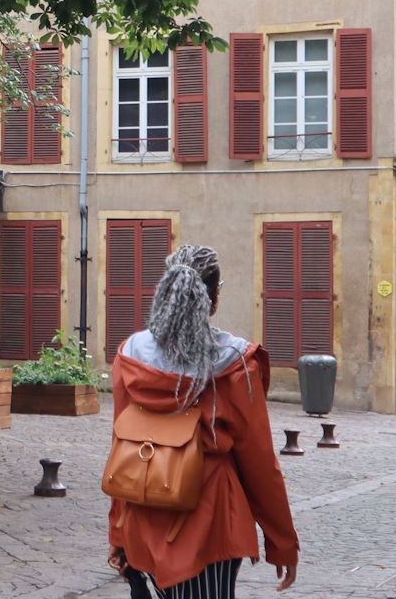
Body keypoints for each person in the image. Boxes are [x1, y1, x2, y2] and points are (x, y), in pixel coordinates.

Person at [107, 245, 299, 598]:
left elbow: (124, 453)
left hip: (142, 518)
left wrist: (118, 533)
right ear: (214, 297)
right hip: (208, 523)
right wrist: (282, 542)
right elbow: (259, 462)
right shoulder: (235, 363)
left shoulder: (130, 356)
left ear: (164, 292)